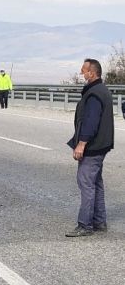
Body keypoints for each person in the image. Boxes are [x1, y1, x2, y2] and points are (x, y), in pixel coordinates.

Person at [65, 58, 114, 237]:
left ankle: (85, 225)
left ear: (92, 73)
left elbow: (91, 122)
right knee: (96, 183)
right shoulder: (102, 90)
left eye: (84, 70)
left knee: (86, 183)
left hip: (93, 146)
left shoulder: (94, 94)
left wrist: (81, 144)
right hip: (102, 145)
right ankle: (99, 222)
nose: (81, 73)